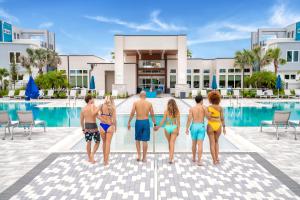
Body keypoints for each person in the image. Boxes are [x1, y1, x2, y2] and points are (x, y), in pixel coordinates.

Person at [128, 91, 156, 162]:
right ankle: (144, 157)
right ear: (145, 96)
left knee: (137, 139)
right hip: (146, 122)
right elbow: (152, 115)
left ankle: (139, 156)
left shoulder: (136, 103)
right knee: (145, 140)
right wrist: (155, 124)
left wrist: (129, 122)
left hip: (138, 122)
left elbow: (132, 113)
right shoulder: (149, 103)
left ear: (140, 96)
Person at [155, 99, 180, 164]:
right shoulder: (177, 111)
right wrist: (178, 130)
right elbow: (178, 123)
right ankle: (171, 158)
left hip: (167, 127)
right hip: (174, 127)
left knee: (170, 143)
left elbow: (163, 121)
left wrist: (158, 127)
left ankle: (170, 157)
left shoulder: (166, 111)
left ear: (168, 104)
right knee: (172, 143)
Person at [185, 95, 206, 166]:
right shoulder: (204, 108)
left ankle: (194, 158)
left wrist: (186, 128)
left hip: (194, 126)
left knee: (194, 143)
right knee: (200, 144)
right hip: (201, 126)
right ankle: (199, 161)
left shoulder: (192, 108)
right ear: (201, 101)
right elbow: (208, 116)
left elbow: (189, 119)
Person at [206, 91, 226, 165]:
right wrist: (224, 128)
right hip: (218, 125)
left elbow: (208, 118)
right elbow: (222, 118)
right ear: (218, 99)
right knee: (216, 142)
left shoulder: (208, 108)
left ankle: (214, 160)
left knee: (212, 143)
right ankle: (217, 158)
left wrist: (211, 116)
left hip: (211, 125)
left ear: (210, 99)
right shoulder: (220, 108)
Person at [80, 95, 101, 164]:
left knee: (88, 142)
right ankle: (92, 155)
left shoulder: (83, 109)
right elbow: (98, 117)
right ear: (89, 100)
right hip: (94, 126)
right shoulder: (94, 107)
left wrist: (83, 129)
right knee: (97, 142)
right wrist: (106, 120)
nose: (94, 99)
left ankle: (89, 158)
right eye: (93, 98)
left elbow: (81, 121)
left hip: (87, 127)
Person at [97, 95, 116, 166]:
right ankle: (106, 161)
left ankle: (104, 159)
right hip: (110, 126)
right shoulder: (113, 107)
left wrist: (103, 120)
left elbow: (95, 114)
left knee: (104, 143)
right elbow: (114, 119)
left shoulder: (101, 106)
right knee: (108, 143)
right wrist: (115, 127)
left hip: (102, 126)